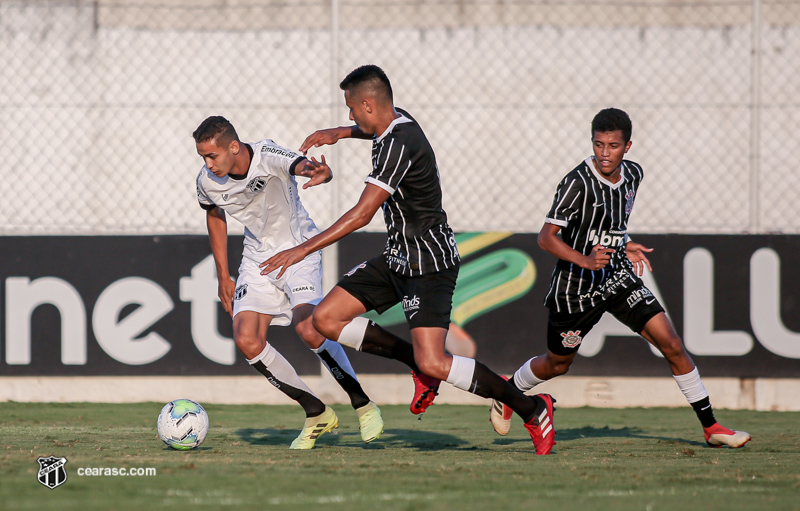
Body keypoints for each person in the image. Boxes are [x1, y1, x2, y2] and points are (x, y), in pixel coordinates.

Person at [259, 65, 557, 455]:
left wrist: (302, 248)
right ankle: (416, 365)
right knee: (326, 319)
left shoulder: (400, 144)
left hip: (429, 265)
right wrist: (341, 133)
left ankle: (532, 407)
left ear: (368, 103)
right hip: (398, 256)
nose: (349, 115)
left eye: (351, 109)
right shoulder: (395, 121)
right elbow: (369, 128)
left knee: (436, 362)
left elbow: (363, 213)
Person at [489, 108, 751, 449]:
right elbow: (545, 237)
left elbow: (610, 222)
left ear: (627, 146)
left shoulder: (634, 175)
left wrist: (622, 244)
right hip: (575, 292)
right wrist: (585, 259)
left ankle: (711, 426)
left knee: (671, 343)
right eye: (598, 144)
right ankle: (508, 391)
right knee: (557, 364)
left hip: (616, 278)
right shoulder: (576, 183)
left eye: (612, 145)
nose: (604, 153)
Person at [192, 116, 383, 449]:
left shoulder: (266, 154)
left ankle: (362, 403)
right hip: (257, 260)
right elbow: (214, 214)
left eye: (213, 156)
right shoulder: (206, 181)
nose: (208, 164)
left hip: (298, 250)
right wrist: (223, 273)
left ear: (233, 147)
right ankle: (316, 411)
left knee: (310, 328)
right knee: (246, 339)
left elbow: (301, 165)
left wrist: (320, 172)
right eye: (203, 158)